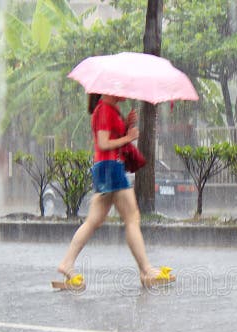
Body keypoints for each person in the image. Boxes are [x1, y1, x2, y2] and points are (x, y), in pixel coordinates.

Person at [56, 93, 175, 290]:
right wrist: (128, 137)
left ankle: (67, 263)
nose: (124, 93)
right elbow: (103, 143)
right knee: (132, 218)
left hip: (106, 167)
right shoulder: (104, 110)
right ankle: (146, 270)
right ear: (109, 90)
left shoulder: (109, 110)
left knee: (94, 220)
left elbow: (110, 138)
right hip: (111, 167)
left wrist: (126, 126)